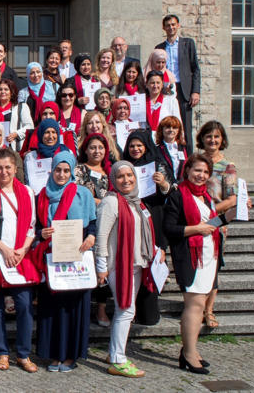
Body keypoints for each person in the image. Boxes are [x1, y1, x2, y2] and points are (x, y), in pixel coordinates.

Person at [0, 148, 39, 372]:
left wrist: (21, 249)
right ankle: (1, 352)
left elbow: (32, 225)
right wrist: (4, 249)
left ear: (15, 168)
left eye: (8, 167)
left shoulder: (27, 192)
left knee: (23, 305)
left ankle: (23, 354)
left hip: (20, 256)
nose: (4, 172)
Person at [96, 160, 162, 378]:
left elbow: (144, 232)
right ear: (114, 180)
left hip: (137, 264)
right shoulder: (111, 202)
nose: (126, 180)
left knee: (126, 310)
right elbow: (102, 236)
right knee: (126, 310)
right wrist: (101, 266)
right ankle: (117, 360)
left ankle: (114, 353)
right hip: (119, 266)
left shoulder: (138, 202)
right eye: (121, 176)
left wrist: (156, 249)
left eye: (129, 175)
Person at [34, 151, 96, 372]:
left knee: (73, 308)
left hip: (77, 258)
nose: (61, 174)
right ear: (51, 171)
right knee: (53, 307)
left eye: (66, 170)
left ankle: (70, 355)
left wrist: (91, 236)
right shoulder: (42, 195)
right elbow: (35, 227)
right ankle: (53, 354)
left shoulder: (83, 194)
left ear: (72, 172)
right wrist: (41, 234)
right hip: (52, 259)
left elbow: (92, 223)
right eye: (58, 170)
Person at [163, 154, 222, 375]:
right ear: (187, 170)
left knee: (200, 304)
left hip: (208, 254)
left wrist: (233, 214)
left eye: (206, 172)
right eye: (197, 170)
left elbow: (211, 224)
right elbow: (169, 229)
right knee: (194, 305)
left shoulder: (206, 195)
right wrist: (196, 229)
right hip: (189, 256)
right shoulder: (178, 195)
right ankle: (188, 355)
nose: (201, 175)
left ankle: (191, 349)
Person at [197, 120, 246, 329]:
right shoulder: (195, 161)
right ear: (203, 138)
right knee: (198, 265)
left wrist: (211, 212)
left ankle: (208, 310)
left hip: (216, 221)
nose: (212, 140)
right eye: (209, 136)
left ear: (222, 140)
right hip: (194, 220)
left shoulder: (228, 166)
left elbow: (232, 199)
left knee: (213, 266)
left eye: (216, 136)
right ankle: (196, 307)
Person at [122, 129, 173, 325]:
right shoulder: (124, 166)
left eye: (139, 146)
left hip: (154, 216)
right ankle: (130, 310)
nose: (135, 149)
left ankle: (148, 311)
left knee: (150, 266)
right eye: (132, 146)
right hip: (131, 218)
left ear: (146, 147)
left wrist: (163, 184)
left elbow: (171, 189)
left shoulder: (158, 164)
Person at [75, 132, 114, 327]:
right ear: (86, 150)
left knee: (104, 266)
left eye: (100, 147)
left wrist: (98, 200)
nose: (96, 151)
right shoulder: (80, 169)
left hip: (110, 225)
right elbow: (81, 197)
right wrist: (105, 202)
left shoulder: (111, 170)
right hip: (88, 224)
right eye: (92, 147)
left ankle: (101, 308)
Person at [157, 14, 201, 152]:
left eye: (173, 24)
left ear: (178, 25)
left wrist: (195, 91)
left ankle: (187, 158)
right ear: (164, 28)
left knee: (185, 126)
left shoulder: (187, 44)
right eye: (168, 25)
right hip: (166, 88)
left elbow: (195, 69)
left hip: (183, 88)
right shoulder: (159, 47)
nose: (171, 27)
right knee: (166, 122)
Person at [0, 78, 34, 152]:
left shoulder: (21, 107)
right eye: (0, 89)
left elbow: (30, 126)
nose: (2, 92)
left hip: (14, 149)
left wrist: (16, 134)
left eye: (6, 89)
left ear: (11, 92)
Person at [155, 116, 188, 182]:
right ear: (162, 129)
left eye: (174, 128)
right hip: (164, 187)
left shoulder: (183, 149)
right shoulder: (156, 150)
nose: (171, 130)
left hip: (181, 186)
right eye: (168, 127)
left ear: (178, 130)